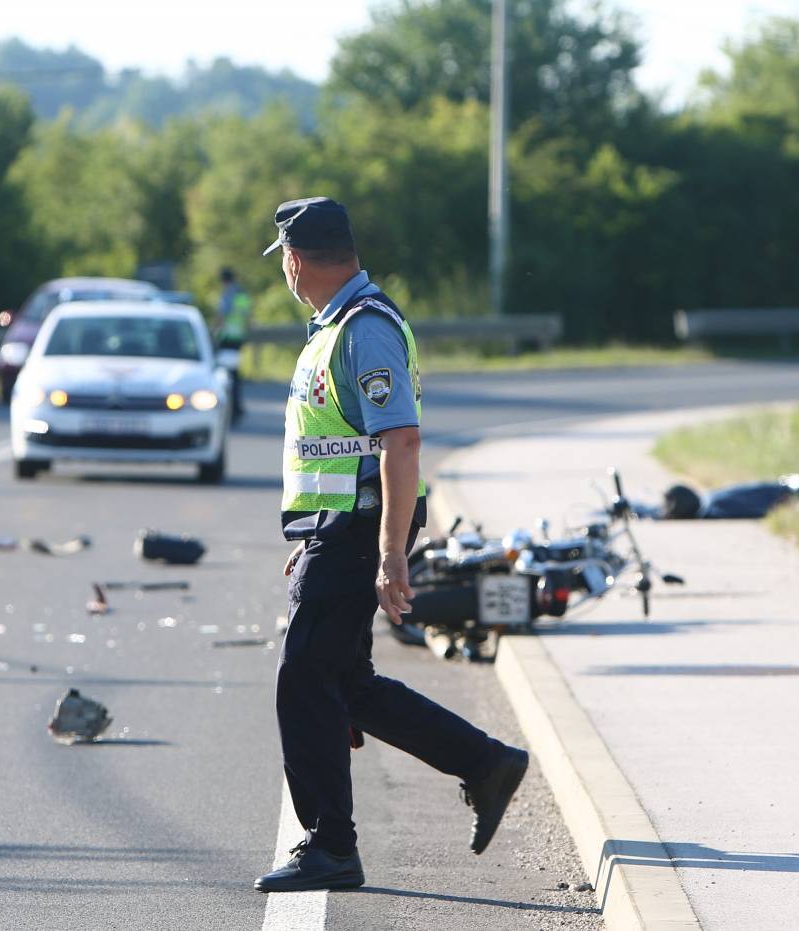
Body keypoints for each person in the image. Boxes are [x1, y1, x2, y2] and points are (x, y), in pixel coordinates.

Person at [255, 197, 529, 893]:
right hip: (338, 528)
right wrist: (317, 533)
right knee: (346, 685)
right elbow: (339, 449)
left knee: (303, 677)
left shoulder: (363, 329)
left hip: (360, 530)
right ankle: (486, 762)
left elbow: (399, 441)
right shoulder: (338, 326)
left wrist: (388, 551)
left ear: (294, 261)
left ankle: (330, 844)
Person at [215, 267, 252, 420]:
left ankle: (231, 409)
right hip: (239, 339)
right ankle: (237, 408)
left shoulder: (228, 294)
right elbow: (247, 318)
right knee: (235, 375)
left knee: (227, 377)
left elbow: (222, 316)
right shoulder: (243, 295)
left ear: (224, 281)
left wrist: (215, 333)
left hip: (227, 339)